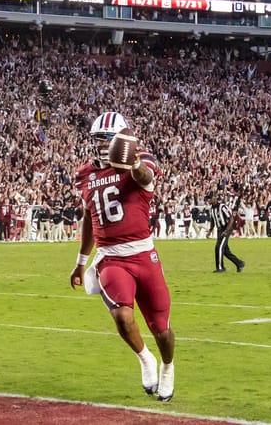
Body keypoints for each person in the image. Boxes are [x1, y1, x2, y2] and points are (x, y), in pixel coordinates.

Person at [69, 112, 175, 402]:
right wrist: (80, 262)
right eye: (98, 139)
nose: (102, 144)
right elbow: (88, 218)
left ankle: (167, 366)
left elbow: (147, 177)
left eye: (107, 139)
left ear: (121, 139)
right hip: (110, 257)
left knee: (161, 328)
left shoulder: (141, 160)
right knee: (122, 317)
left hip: (142, 252)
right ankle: (145, 359)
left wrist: (134, 162)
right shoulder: (85, 173)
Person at [207, 191, 245, 273]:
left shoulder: (222, 207)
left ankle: (220, 268)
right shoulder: (212, 209)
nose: (208, 201)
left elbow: (231, 218)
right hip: (219, 229)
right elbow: (213, 220)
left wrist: (226, 230)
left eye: (210, 199)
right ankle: (239, 263)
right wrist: (210, 231)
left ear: (215, 198)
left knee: (219, 247)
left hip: (226, 228)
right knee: (225, 251)